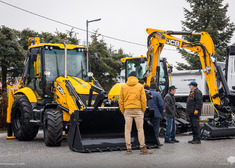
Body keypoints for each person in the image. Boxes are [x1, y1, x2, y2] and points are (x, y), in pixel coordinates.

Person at [119, 71, 153, 155]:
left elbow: (121, 101)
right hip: (138, 110)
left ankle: (128, 148)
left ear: (129, 77)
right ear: (136, 77)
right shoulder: (140, 86)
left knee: (127, 130)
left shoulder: (123, 87)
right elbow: (143, 100)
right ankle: (142, 147)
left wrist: (123, 111)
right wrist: (143, 110)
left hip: (127, 110)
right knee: (140, 129)